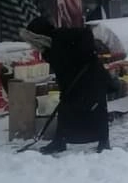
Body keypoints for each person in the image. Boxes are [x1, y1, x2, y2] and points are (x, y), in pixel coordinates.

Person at [21, 17, 114, 154]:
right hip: (72, 81)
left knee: (97, 108)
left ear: (40, 35)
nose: (32, 45)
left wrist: (86, 56)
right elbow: (62, 68)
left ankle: (104, 141)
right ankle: (60, 141)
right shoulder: (47, 47)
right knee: (65, 110)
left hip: (91, 77)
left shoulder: (61, 35)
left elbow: (86, 34)